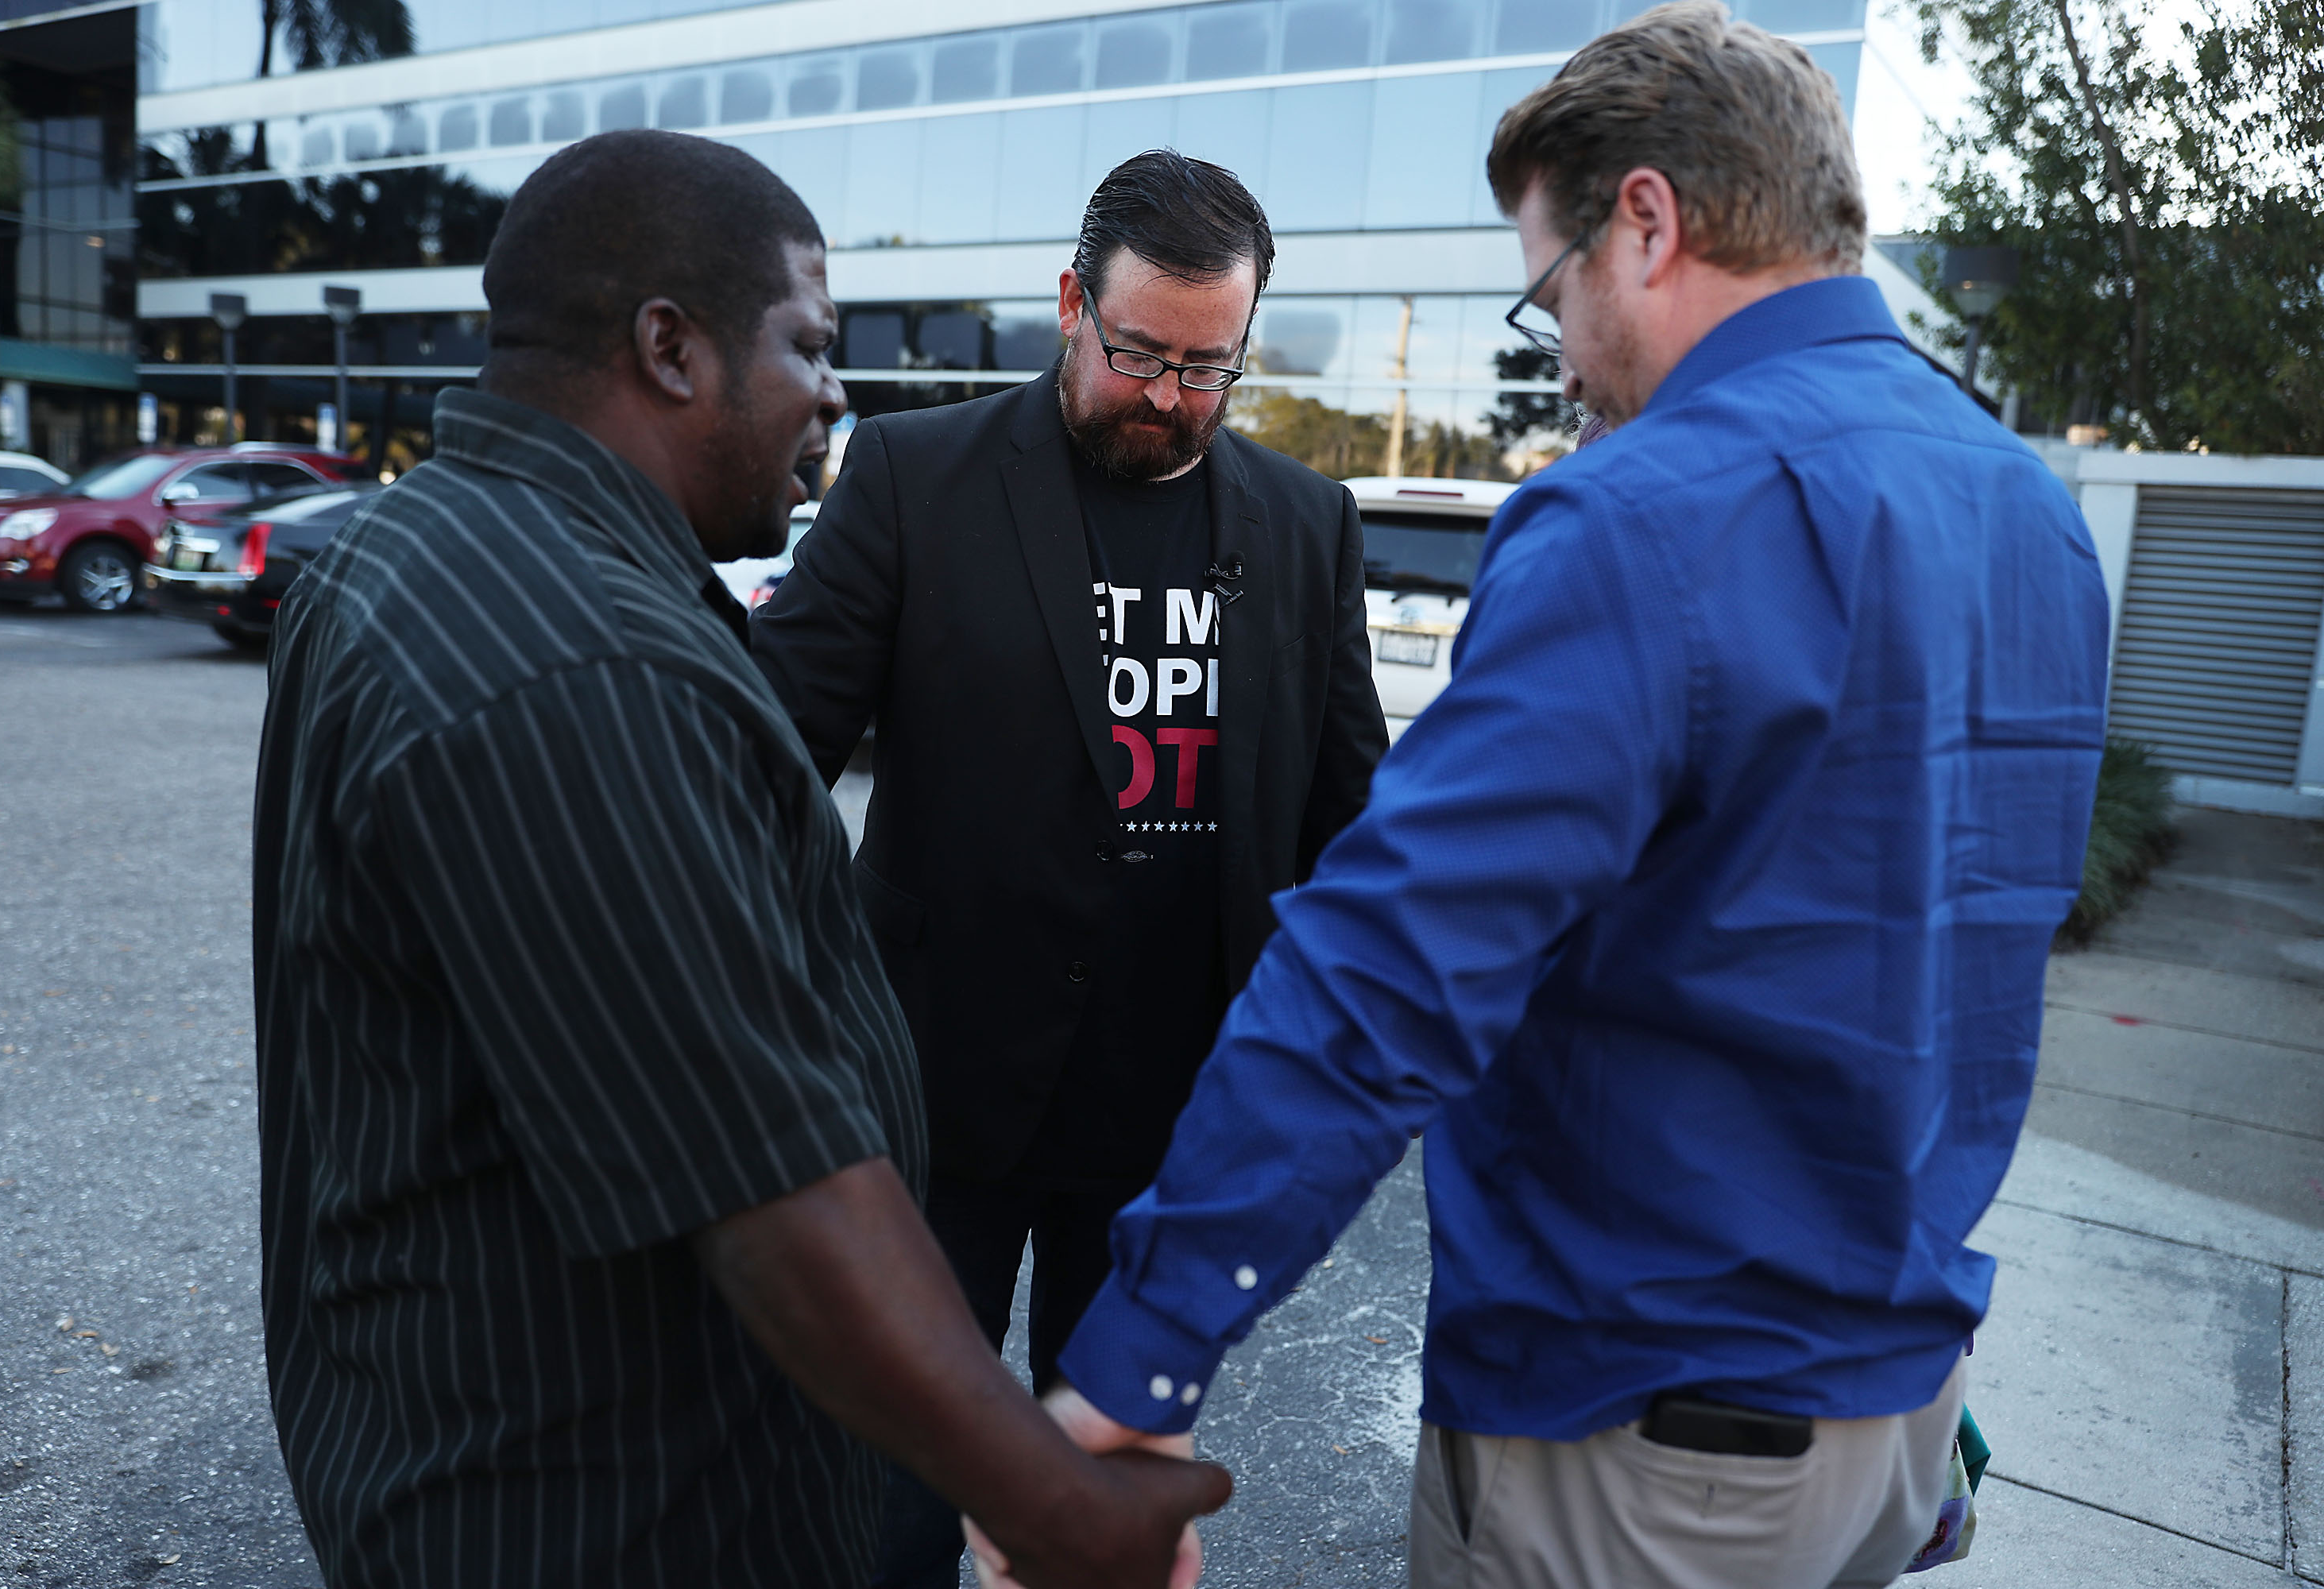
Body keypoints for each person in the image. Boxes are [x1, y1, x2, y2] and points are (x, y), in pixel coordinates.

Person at [1026, 6, 2113, 1587]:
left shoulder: (1638, 518)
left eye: (1552, 290)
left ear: (1648, 224)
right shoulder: (2030, 508)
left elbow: (1386, 977)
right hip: (1898, 1413)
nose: (1567, 350)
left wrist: (1141, 1359)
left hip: (1645, 1440)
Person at [251, 130, 1227, 1589]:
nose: (832, 393)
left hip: (470, 1436)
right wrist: (1057, 1505)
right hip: (597, 1511)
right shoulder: (564, 659)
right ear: (671, 349)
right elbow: (768, 1192)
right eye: (807, 344)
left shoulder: (411, 561)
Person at [749, 149, 1385, 1587]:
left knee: (1101, 1522)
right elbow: (762, 757)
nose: (1166, 396)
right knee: (895, 1495)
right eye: (1138, 352)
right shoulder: (917, 476)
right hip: (929, 1102)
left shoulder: (1306, 527)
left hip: (1169, 1131)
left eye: (1206, 368)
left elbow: (1354, 828)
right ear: (1068, 307)